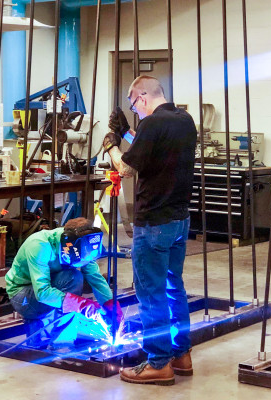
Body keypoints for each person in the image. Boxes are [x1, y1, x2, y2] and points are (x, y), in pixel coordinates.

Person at [104, 75, 197, 385]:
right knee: (173, 287)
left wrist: (112, 147)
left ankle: (159, 362)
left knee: (150, 293)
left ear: (142, 97)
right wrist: (127, 132)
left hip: (154, 221)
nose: (136, 111)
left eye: (135, 105)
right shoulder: (184, 119)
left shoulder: (152, 124)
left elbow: (128, 168)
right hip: (179, 219)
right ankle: (181, 354)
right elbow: (151, 145)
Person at [5, 217, 122, 346]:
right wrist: (81, 304)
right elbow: (42, 293)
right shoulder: (39, 246)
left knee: (73, 278)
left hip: (51, 285)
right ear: (69, 244)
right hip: (22, 294)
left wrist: (111, 304)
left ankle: (61, 334)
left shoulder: (83, 244)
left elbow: (95, 277)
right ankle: (57, 338)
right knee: (74, 279)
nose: (85, 262)